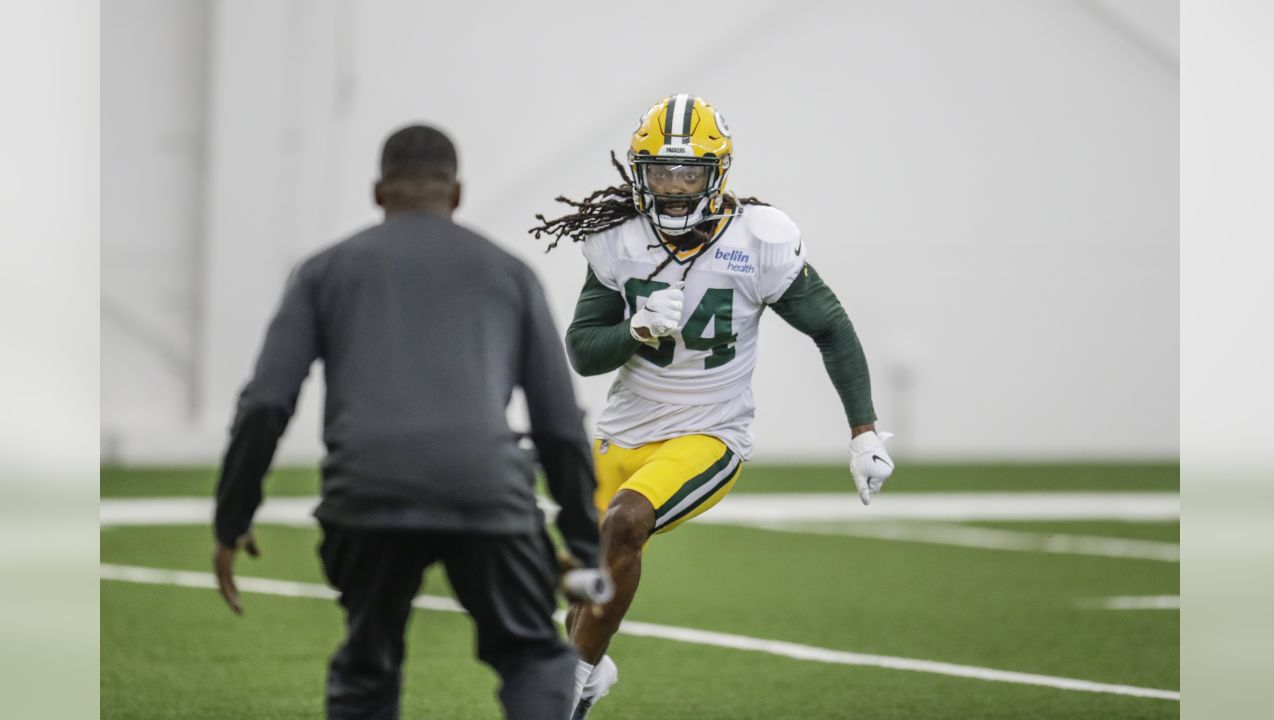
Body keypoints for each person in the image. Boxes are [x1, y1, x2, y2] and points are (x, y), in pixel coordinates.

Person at [212, 124, 603, 720]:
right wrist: (581, 543)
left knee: (367, 664)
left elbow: (266, 403)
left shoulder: (322, 271)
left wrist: (232, 517)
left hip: (367, 494)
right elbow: (559, 425)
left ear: (378, 193)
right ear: (457, 194)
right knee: (533, 659)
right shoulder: (510, 274)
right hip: (485, 491)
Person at [529, 94, 896, 718]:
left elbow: (829, 326)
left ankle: (570, 686)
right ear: (638, 173)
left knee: (625, 524)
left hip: (709, 431)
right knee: (581, 577)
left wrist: (864, 431)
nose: (673, 187)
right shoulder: (617, 238)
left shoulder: (759, 238)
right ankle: (588, 676)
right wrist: (634, 332)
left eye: (688, 172)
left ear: (717, 172)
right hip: (623, 432)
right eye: (661, 172)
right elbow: (584, 353)